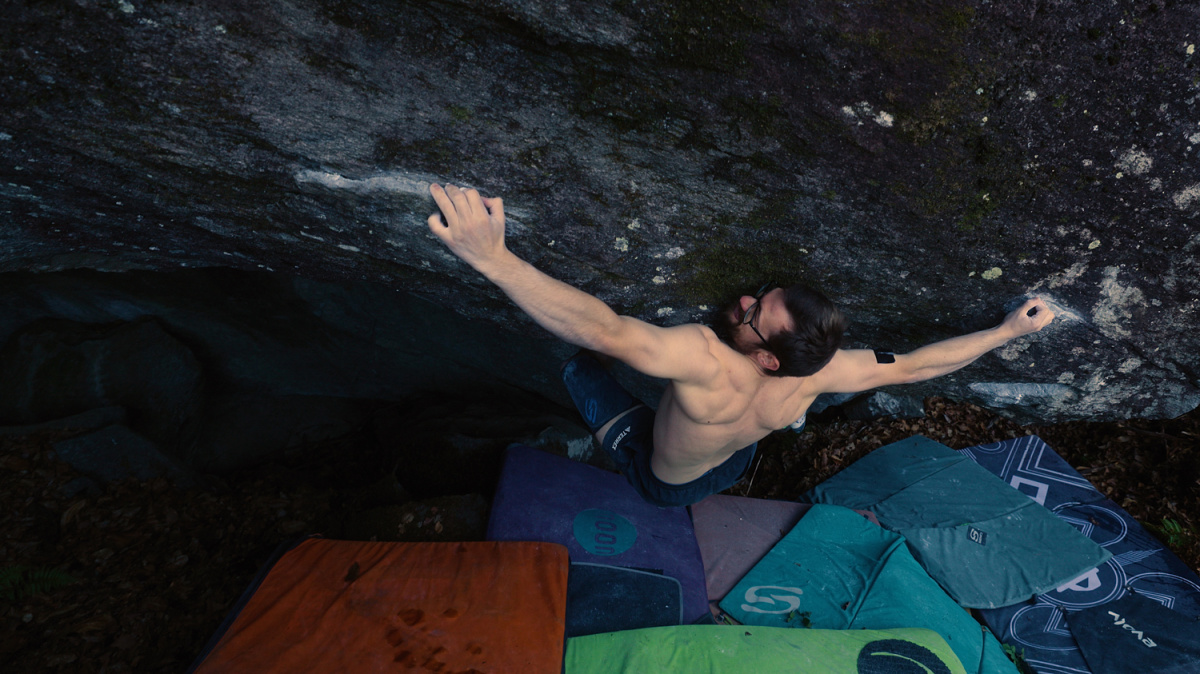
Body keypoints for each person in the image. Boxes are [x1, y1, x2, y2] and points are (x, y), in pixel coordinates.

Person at [427, 183, 1056, 507]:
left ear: (763, 357)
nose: (744, 303)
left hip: (661, 476)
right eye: (762, 294)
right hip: (731, 462)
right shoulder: (822, 373)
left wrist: (495, 259)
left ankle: (614, 459)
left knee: (578, 366)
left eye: (754, 314)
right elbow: (918, 365)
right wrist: (1006, 332)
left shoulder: (705, 360)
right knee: (703, 445)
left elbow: (604, 329)